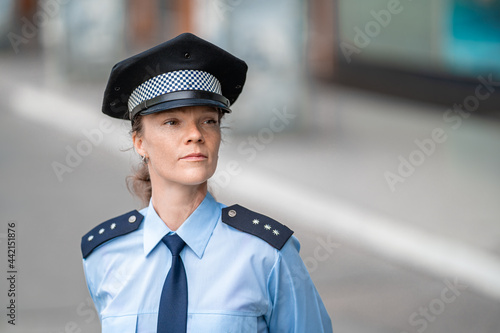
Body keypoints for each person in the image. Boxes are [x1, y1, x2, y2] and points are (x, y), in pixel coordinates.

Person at [81, 32, 333, 333]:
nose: (196, 134)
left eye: (209, 120)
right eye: (172, 122)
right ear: (140, 142)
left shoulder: (266, 254)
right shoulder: (105, 254)